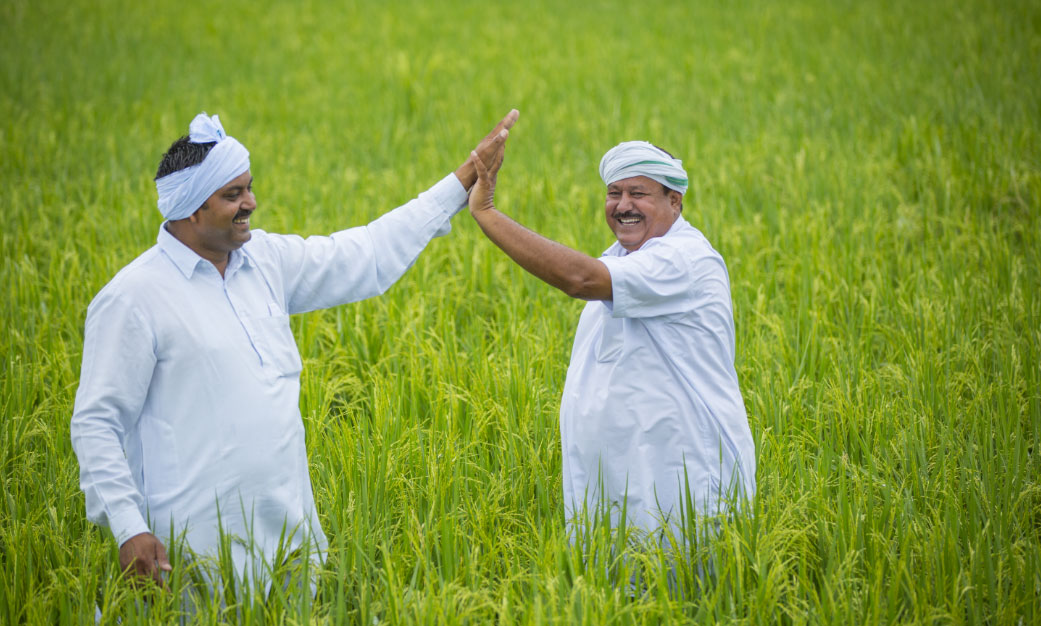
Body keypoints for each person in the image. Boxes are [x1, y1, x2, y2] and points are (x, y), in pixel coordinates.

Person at [70, 109, 519, 588]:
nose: (251, 202)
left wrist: (462, 179)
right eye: (233, 194)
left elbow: (367, 252)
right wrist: (128, 527)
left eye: (249, 187)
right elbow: (98, 422)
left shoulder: (264, 260)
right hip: (192, 555)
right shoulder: (133, 298)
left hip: (288, 545)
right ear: (190, 208)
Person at [466, 139, 755, 537]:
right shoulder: (620, 258)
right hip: (624, 480)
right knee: (615, 593)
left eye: (639, 193)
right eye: (614, 193)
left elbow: (580, 279)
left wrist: (486, 213)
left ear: (676, 201)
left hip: (682, 480)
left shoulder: (683, 259)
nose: (623, 205)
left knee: (688, 592)